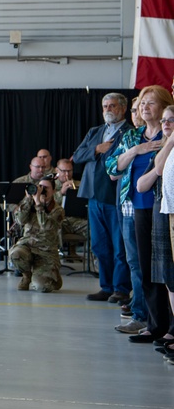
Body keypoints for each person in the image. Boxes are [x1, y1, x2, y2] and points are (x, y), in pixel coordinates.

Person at [107, 86, 173, 338]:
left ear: (165, 106)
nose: (144, 107)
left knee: (165, 269)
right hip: (136, 208)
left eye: (151, 103)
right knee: (145, 268)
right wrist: (135, 151)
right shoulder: (133, 136)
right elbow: (112, 169)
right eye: (142, 103)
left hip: (165, 208)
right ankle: (155, 325)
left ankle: (169, 327)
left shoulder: (169, 134)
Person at [73, 92, 132, 302]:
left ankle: (121, 289)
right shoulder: (95, 132)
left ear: (123, 109)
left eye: (113, 106)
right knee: (99, 245)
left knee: (119, 247)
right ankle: (106, 287)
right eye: (105, 106)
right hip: (94, 196)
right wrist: (97, 149)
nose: (108, 109)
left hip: (115, 197)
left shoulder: (130, 133)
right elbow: (77, 156)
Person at [135, 103, 174, 354]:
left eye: (171, 120)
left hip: (168, 212)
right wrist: (169, 141)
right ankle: (168, 326)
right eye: (164, 121)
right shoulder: (165, 147)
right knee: (167, 277)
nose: (166, 125)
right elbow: (143, 182)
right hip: (163, 211)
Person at [10, 176, 64, 292]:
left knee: (42, 288)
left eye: (46, 188)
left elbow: (46, 226)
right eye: (40, 187)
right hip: (28, 245)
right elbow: (20, 221)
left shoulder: (58, 210)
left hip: (46, 251)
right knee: (15, 254)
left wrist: (39, 204)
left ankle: (53, 277)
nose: (42, 190)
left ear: (54, 191)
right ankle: (27, 276)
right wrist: (28, 199)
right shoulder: (30, 204)